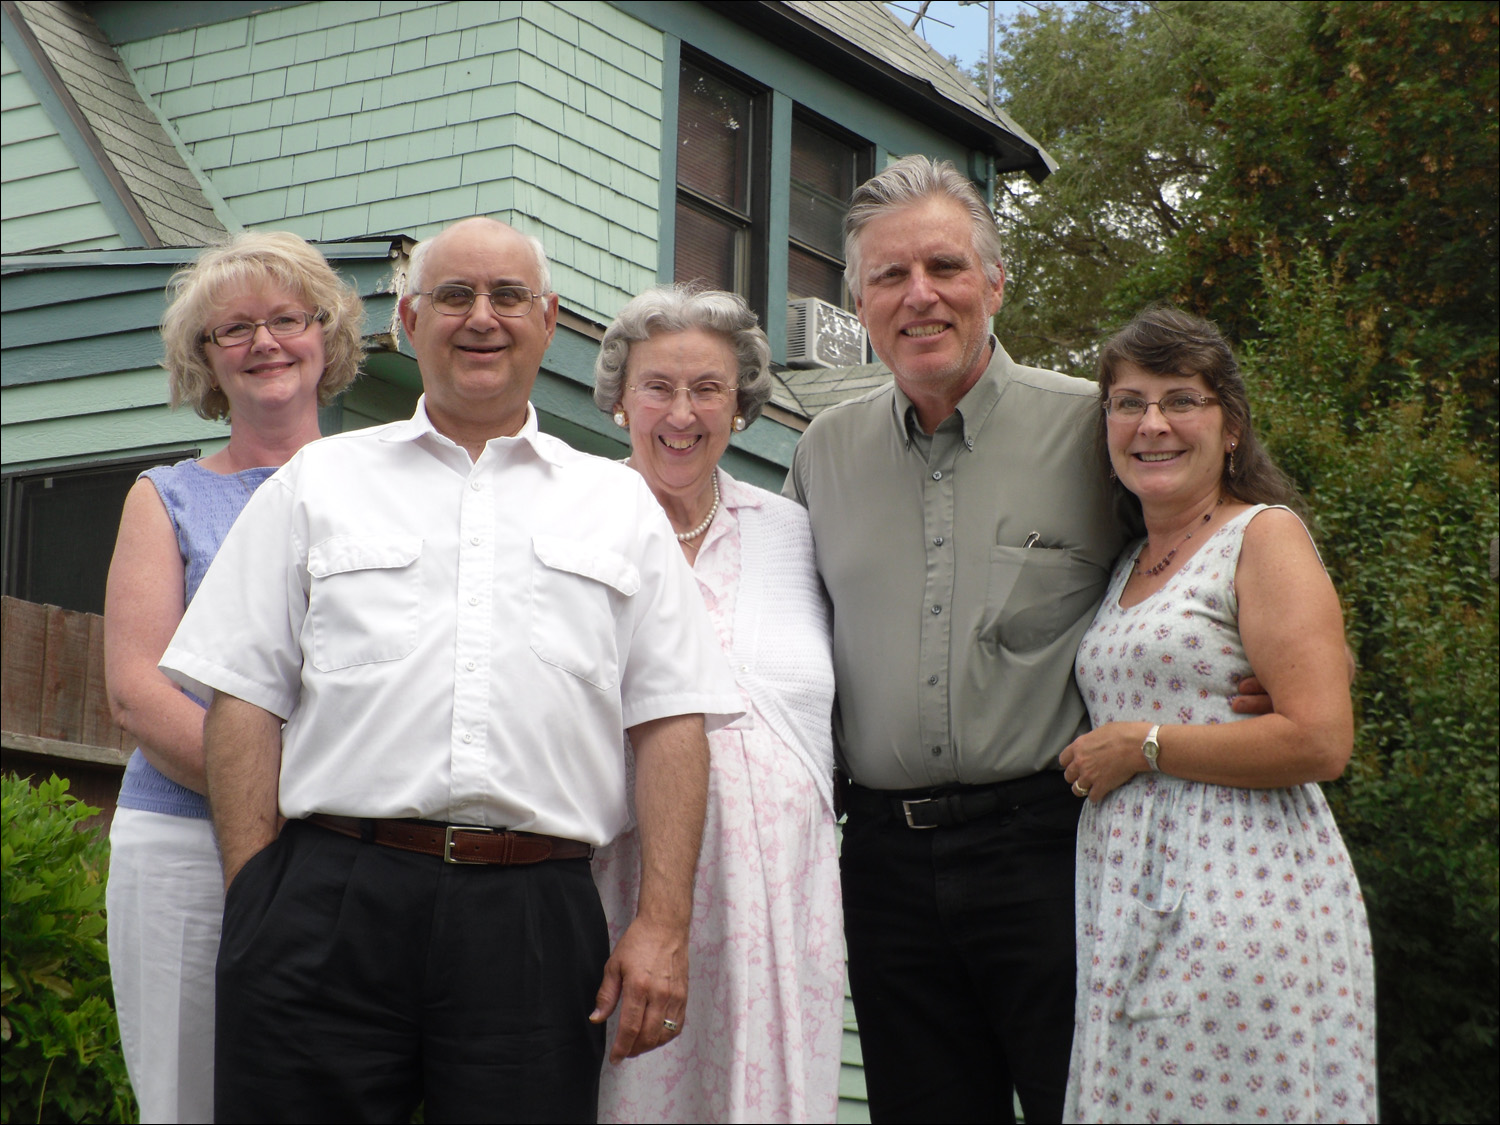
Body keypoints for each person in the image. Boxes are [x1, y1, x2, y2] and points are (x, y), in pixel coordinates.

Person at [158, 217, 743, 1122]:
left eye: (509, 296)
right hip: (328, 899)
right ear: (407, 319)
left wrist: (662, 924)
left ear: (548, 321)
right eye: (455, 296)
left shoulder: (618, 504)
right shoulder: (316, 483)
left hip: (535, 919)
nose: (483, 317)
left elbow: (671, 720)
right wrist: (258, 898)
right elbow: (244, 697)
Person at [785, 156, 1276, 1123]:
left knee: (1087, 1107)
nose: (919, 295)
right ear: (857, 297)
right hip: (881, 862)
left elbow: (1230, 549)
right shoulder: (820, 452)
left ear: (996, 282)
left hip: (1057, 848)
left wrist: (1259, 667)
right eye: (889, 276)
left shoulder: (1097, 430)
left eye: (945, 267)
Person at [1059, 307, 1376, 1122]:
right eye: (1128, 402)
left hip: (1241, 897)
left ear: (1230, 425)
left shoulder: (1262, 536)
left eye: (1180, 400)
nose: (1152, 423)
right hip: (1131, 900)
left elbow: (1320, 738)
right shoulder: (1131, 558)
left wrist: (1145, 744)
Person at [103, 231, 361, 1122]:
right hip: (180, 840)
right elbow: (138, 688)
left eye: (288, 318)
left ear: (326, 335)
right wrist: (278, 797)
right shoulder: (165, 496)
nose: (265, 342)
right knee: (185, 1101)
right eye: (234, 329)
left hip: (348, 856)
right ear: (204, 360)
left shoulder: (380, 489)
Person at [589, 285, 843, 1123]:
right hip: (621, 895)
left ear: (742, 409)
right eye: (658, 386)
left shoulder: (794, 533)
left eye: (709, 389)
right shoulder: (576, 521)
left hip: (779, 914)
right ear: (621, 397)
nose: (682, 412)